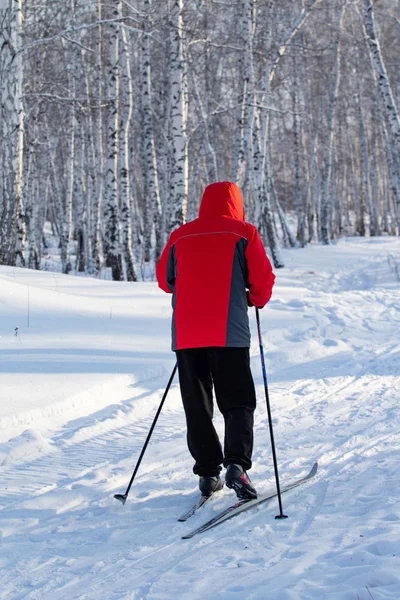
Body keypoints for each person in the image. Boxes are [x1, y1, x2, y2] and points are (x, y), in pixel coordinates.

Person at [156, 181, 275, 500]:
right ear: (236, 203)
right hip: (229, 334)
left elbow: (164, 281)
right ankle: (237, 465)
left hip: (187, 335)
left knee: (197, 406)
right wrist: (257, 298)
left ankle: (208, 474)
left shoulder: (181, 235)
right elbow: (262, 279)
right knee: (237, 402)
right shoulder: (244, 232)